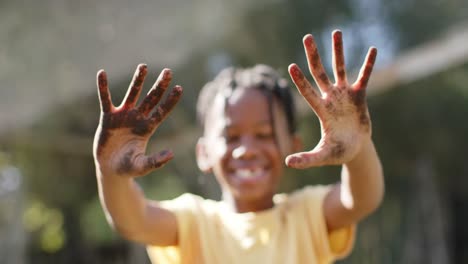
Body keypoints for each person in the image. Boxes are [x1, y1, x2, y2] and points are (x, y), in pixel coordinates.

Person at [93, 30, 384, 264]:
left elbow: (361, 200)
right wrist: (111, 174)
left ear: (293, 145)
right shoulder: (194, 222)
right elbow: (133, 221)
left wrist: (358, 151)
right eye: (231, 137)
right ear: (203, 153)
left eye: (264, 134)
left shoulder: (307, 215)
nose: (246, 149)